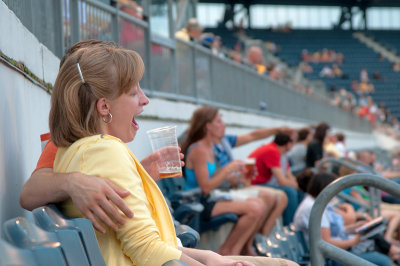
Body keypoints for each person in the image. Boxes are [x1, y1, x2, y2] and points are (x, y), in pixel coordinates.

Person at [47, 44, 293, 266]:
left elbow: (150, 244)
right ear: (104, 107)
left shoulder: (77, 150)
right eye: (134, 93)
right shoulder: (105, 150)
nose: (145, 100)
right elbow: (147, 250)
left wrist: (210, 257)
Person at [181, 107, 270, 256]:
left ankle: (235, 250)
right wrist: (227, 169)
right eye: (219, 121)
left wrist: (238, 178)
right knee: (255, 208)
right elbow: (205, 187)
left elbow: (215, 182)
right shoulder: (199, 150)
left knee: (259, 204)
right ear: (208, 126)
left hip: (211, 198)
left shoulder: (209, 147)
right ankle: (227, 251)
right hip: (199, 202)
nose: (224, 125)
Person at [294, 170, 399, 266]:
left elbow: (334, 233)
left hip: (338, 251)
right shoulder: (314, 207)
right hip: (331, 259)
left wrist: (354, 227)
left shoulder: (316, 203)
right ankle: (393, 251)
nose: (336, 194)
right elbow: (326, 243)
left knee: (379, 251)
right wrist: (354, 241)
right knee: (383, 260)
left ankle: (393, 251)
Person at [249, 133, 303, 226]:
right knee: (290, 192)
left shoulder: (281, 153)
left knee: (299, 192)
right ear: (288, 144)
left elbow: (288, 175)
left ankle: (299, 224)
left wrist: (297, 186)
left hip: (263, 183)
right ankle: (290, 226)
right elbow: (282, 181)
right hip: (255, 184)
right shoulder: (272, 151)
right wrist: (296, 186)